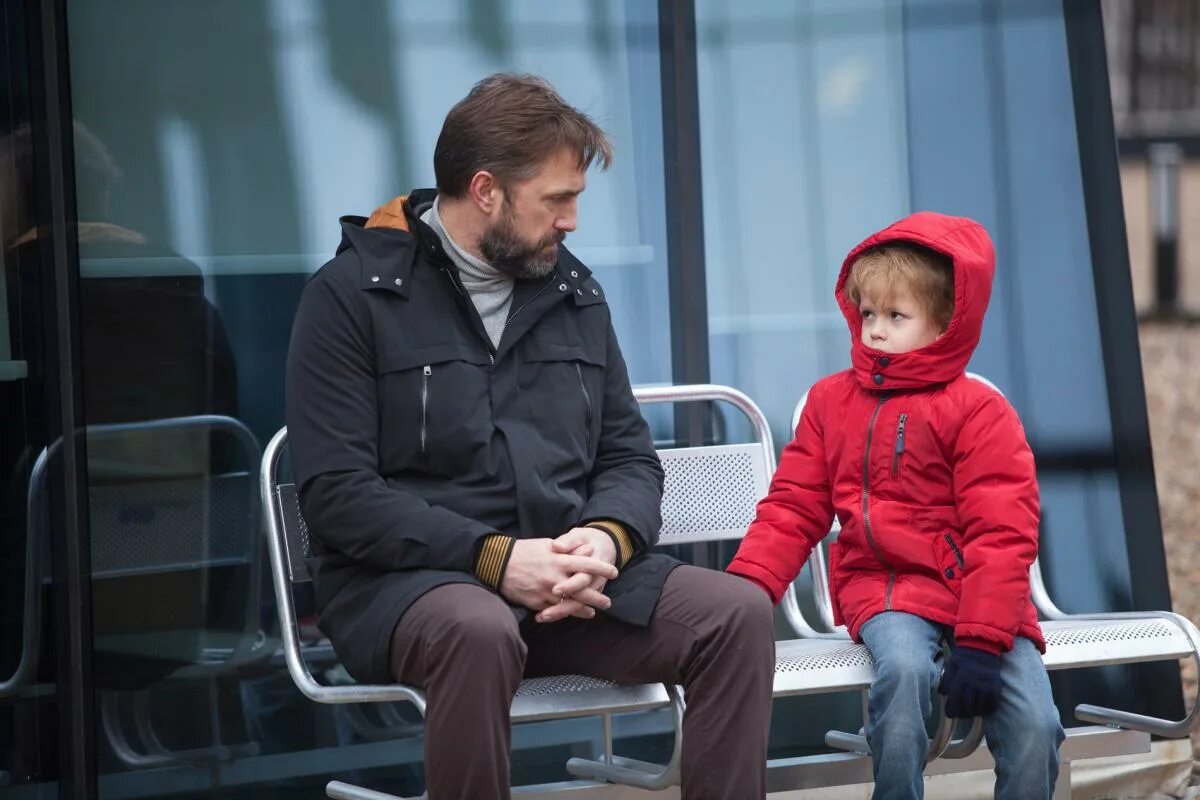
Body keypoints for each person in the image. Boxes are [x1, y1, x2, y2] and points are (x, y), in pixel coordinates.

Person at [285, 73, 775, 799]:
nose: (573, 220)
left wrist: (606, 538)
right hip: (410, 591)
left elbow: (629, 457)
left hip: (567, 585)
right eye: (557, 199)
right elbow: (338, 496)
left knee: (735, 613)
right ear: (486, 190)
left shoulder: (573, 295)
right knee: (477, 628)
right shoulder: (349, 298)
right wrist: (495, 560)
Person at [726, 211, 1064, 799]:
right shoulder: (832, 403)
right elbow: (793, 506)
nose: (875, 331)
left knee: (1036, 722)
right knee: (903, 678)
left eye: (896, 316)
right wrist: (746, 590)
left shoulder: (979, 412)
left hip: (981, 598)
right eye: (869, 314)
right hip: (887, 590)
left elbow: (1002, 533)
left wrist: (983, 641)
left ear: (945, 325)